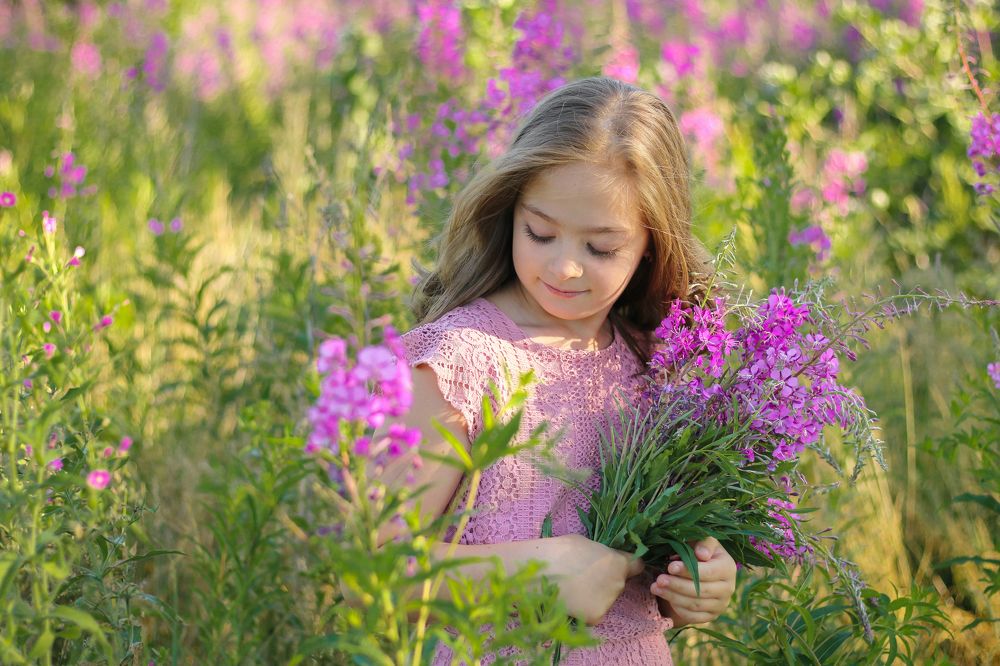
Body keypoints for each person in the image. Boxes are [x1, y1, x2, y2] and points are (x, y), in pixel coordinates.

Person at [382, 77, 738, 665]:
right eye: (540, 233)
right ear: (510, 210)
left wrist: (695, 582)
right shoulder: (457, 361)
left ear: (652, 243)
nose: (566, 266)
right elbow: (371, 573)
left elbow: (650, 572)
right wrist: (534, 570)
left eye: (602, 248)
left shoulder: (663, 366)